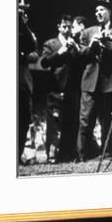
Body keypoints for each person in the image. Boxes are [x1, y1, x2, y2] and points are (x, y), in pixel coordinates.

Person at [77, 0, 112, 161]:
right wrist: (92, 45)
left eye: (102, 10)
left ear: (109, 12)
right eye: (96, 10)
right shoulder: (87, 32)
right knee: (86, 120)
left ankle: (107, 152)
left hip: (110, 82)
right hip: (91, 82)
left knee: (107, 120)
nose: (98, 13)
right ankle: (82, 154)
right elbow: (80, 55)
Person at [39, 14, 81, 162]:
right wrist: (60, 52)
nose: (67, 29)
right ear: (59, 27)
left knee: (70, 123)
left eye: (70, 26)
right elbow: (44, 62)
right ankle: (52, 155)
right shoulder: (50, 44)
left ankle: (67, 153)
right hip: (55, 89)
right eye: (64, 26)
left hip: (71, 90)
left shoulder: (74, 43)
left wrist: (75, 48)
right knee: (54, 124)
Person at [18, 0, 39, 164]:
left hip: (22, 80)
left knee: (24, 118)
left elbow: (33, 50)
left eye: (23, 9)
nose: (21, 12)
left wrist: (22, 25)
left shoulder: (26, 30)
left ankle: (17, 155)